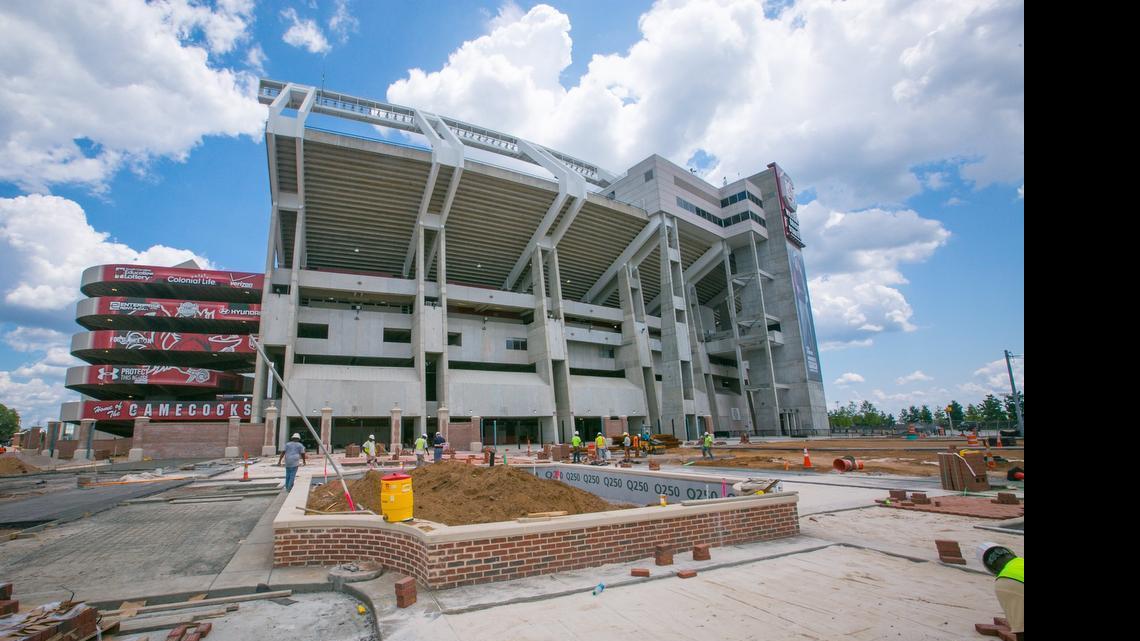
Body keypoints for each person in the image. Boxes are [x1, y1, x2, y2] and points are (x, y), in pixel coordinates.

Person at [977, 543, 1023, 639]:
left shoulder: (1002, 580)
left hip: (1007, 584)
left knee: (1019, 624)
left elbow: (1020, 627)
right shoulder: (1021, 561)